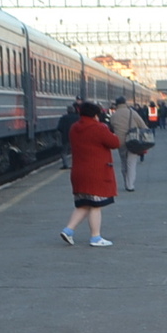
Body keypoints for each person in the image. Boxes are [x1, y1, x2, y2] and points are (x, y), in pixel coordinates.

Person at [60, 102, 122, 248]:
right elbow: (115, 143)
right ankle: (95, 237)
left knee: (83, 204)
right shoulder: (99, 128)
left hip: (78, 172)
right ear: (96, 115)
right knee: (95, 205)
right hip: (96, 172)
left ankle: (68, 230)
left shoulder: (74, 128)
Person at [107, 95, 151, 192]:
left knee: (124, 163)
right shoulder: (132, 113)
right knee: (131, 163)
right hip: (133, 141)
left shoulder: (114, 115)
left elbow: (111, 128)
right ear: (125, 103)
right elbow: (143, 126)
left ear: (117, 104)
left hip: (120, 142)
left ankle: (125, 181)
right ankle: (130, 185)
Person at [55, 99, 82, 170]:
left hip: (65, 137)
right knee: (75, 152)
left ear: (67, 111)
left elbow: (59, 128)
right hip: (76, 137)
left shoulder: (63, 118)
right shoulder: (78, 118)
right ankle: (75, 164)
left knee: (64, 152)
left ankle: (65, 165)